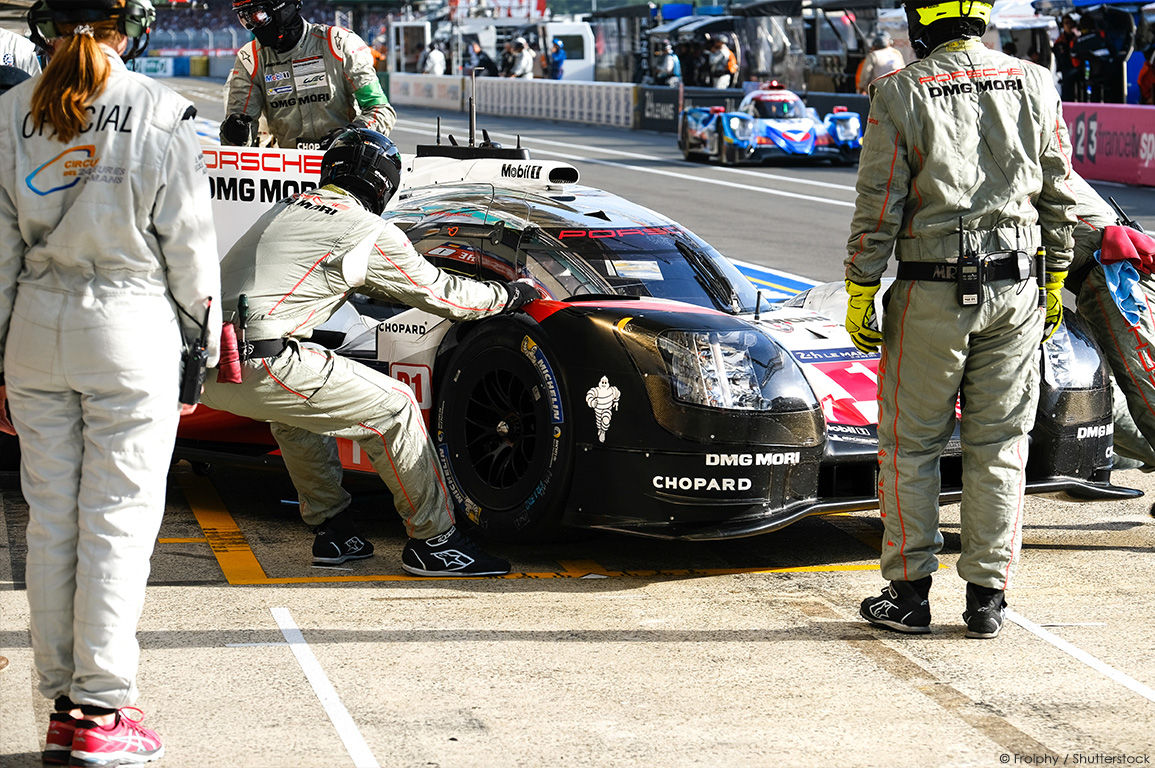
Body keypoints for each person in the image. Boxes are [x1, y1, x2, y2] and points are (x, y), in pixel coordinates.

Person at [0, 0, 221, 763]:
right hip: (130, 333)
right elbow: (190, 248)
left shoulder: (8, 113)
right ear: (136, 28)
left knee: (52, 520)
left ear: (44, 27)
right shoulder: (159, 110)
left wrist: (0, 361)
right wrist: (198, 352)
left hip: (33, 327)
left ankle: (64, 701)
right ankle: (101, 711)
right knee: (117, 522)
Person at [201, 128, 539, 576]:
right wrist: (510, 295)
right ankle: (435, 542)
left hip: (202, 367)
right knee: (396, 407)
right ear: (384, 185)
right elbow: (444, 296)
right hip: (261, 360)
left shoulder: (285, 208)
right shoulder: (365, 228)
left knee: (297, 414)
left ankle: (335, 532)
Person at [846, 0, 1076, 639]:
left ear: (923, 26)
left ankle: (909, 597)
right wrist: (1053, 277)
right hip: (1019, 289)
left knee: (910, 445)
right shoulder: (1034, 82)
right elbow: (1060, 188)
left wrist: (861, 286)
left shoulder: (897, 90)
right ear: (981, 21)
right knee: (1002, 446)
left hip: (931, 291)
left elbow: (879, 199)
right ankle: (986, 602)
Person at [1063, 172, 1155, 469]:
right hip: (1097, 279)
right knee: (1089, 394)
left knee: (1146, 387)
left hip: (1117, 276)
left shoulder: (1023, 158)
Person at [220, 0, 396, 149]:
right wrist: (234, 132)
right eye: (244, 19)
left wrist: (351, 135)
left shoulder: (339, 43)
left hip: (345, 162)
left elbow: (381, 110)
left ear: (283, 7)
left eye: (257, 16)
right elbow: (239, 137)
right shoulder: (250, 58)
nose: (251, 25)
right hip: (289, 171)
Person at [1053, 14, 1081, 102]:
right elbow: (1062, 59)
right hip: (1067, 70)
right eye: (1066, 23)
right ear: (1063, 25)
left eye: (1070, 23)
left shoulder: (1077, 37)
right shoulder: (1060, 41)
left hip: (1080, 67)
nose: (1069, 25)